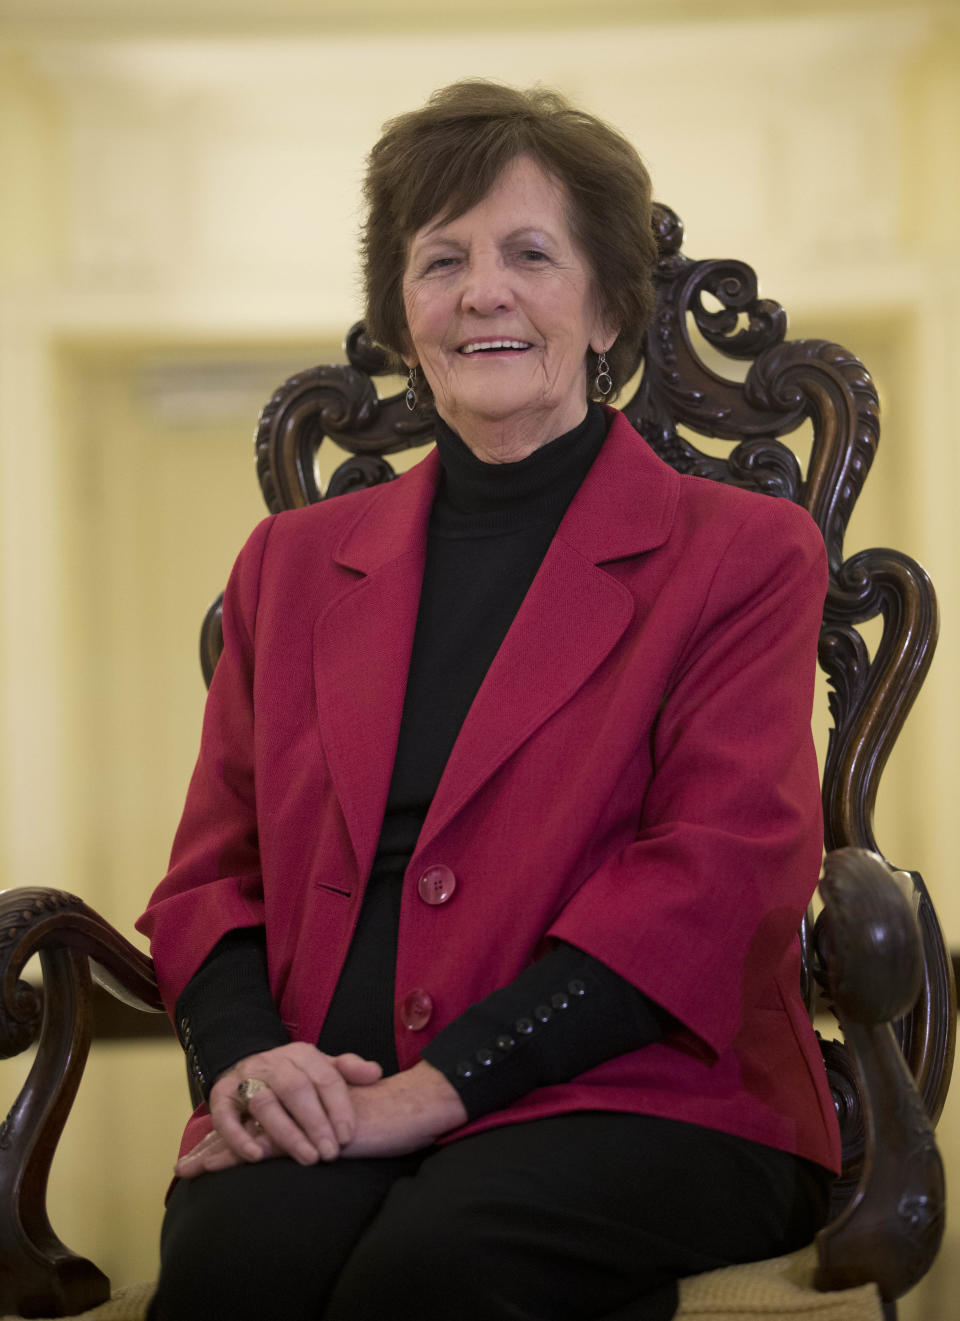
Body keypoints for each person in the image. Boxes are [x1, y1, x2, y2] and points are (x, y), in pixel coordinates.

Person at [137, 80, 840, 1321]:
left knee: (438, 1273)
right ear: (403, 313)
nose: (482, 293)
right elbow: (212, 872)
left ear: (611, 305)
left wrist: (438, 1088)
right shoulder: (291, 564)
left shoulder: (743, 550)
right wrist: (251, 1063)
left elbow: (723, 869)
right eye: (441, 261)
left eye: (530, 254)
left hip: (645, 1087)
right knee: (232, 1268)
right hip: (330, 1081)